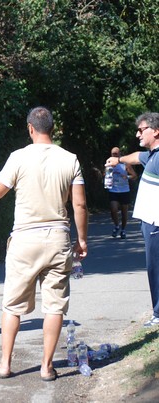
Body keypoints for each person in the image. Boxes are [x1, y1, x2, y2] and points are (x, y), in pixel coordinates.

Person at [0, 106, 88, 381]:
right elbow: (79, 203)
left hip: (25, 238)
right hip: (58, 237)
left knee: (12, 305)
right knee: (55, 305)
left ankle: (4, 364)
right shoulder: (70, 159)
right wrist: (81, 239)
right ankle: (47, 367)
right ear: (53, 129)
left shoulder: (18, 158)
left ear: (30, 129)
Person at [106, 112, 159, 328]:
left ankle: (158, 313)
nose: (137, 133)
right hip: (149, 222)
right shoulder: (152, 155)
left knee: (155, 267)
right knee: (152, 267)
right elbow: (136, 156)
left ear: (155, 131)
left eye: (141, 129)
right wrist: (118, 160)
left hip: (156, 222)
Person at [106, 146, 137, 239]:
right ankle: (116, 226)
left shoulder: (125, 164)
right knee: (113, 209)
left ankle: (123, 230)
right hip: (113, 190)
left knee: (124, 212)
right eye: (113, 154)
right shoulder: (108, 163)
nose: (114, 155)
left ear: (120, 154)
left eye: (116, 154)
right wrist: (106, 178)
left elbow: (134, 175)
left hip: (124, 190)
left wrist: (126, 177)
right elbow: (106, 175)